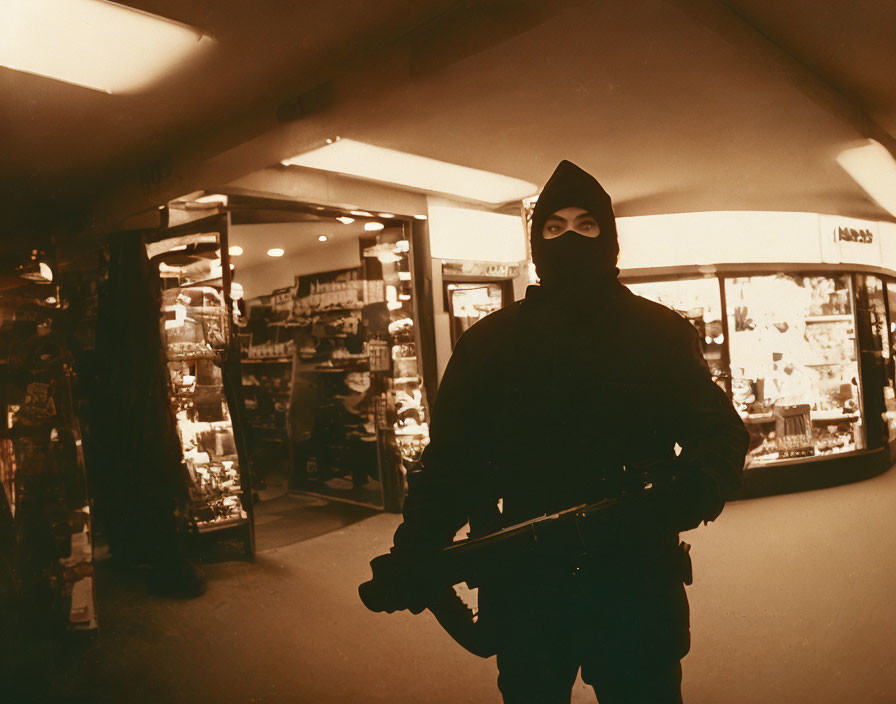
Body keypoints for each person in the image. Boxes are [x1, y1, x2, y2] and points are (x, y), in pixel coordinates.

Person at [382, 160, 750, 703]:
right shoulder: (489, 344)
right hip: (527, 580)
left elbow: (719, 433)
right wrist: (416, 546)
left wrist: (688, 490)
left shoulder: (658, 332)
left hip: (635, 573)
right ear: (536, 245)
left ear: (610, 239)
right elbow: (451, 463)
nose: (570, 237)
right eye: (554, 228)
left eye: (586, 225)